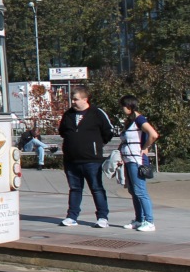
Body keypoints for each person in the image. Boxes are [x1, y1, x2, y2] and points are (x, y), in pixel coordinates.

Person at [57, 86, 115, 228]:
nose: (73, 102)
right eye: (72, 99)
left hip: (92, 160)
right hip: (72, 160)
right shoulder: (68, 115)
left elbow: (108, 132)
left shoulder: (97, 113)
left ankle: (102, 217)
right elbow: (63, 132)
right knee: (75, 188)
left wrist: (96, 145)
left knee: (96, 188)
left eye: (76, 99)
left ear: (85, 99)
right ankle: (72, 216)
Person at [118, 94, 158, 232]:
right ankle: (139, 219)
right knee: (134, 191)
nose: (122, 109)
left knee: (140, 191)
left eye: (123, 106)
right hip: (129, 159)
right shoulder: (131, 121)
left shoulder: (140, 119)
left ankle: (149, 221)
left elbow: (153, 134)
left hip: (137, 160)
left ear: (129, 106)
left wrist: (145, 147)